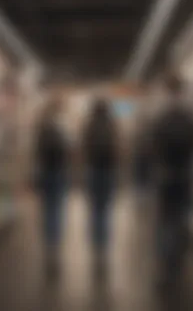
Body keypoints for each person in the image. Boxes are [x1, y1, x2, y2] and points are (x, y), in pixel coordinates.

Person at [151, 73, 193, 288]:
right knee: (181, 218)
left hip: (166, 174)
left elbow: (154, 145)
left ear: (167, 90)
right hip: (186, 174)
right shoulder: (190, 117)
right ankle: (178, 262)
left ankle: (165, 267)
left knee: (165, 220)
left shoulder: (163, 117)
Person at [83, 97, 118, 278]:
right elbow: (118, 149)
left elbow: (83, 148)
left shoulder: (89, 125)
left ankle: (95, 245)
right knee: (105, 210)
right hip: (108, 172)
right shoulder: (112, 125)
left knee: (94, 210)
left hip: (93, 171)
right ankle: (104, 246)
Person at [34, 95, 68, 278]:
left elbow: (37, 150)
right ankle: (54, 243)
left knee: (47, 209)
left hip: (45, 172)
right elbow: (65, 149)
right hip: (57, 172)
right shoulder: (59, 126)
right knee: (56, 209)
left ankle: (49, 244)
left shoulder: (41, 126)